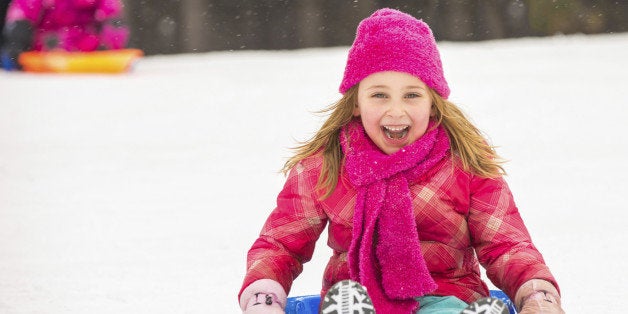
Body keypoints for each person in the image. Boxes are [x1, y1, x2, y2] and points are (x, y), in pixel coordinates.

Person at [238, 8, 565, 314]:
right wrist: (263, 299)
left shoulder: (464, 162)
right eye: (379, 95)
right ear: (355, 103)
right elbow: (281, 243)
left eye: (412, 95)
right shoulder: (327, 165)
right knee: (347, 301)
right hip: (356, 298)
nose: (396, 111)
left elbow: (505, 243)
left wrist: (536, 295)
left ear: (434, 104)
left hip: (447, 297)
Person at [1, 0, 129, 70]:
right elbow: (22, 15)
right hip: (45, 51)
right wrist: (17, 44)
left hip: (87, 50)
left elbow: (113, 19)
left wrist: (110, 45)